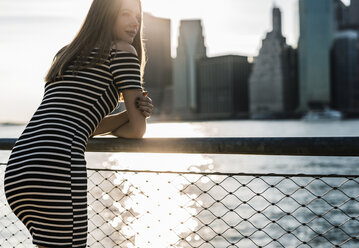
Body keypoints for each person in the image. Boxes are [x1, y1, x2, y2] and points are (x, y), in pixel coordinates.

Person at [3, 0, 153, 247]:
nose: (134, 22)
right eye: (125, 14)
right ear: (105, 16)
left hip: (18, 168)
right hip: (56, 168)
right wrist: (134, 113)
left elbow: (81, 122)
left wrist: (128, 114)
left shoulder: (66, 53)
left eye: (137, 16)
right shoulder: (123, 51)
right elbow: (137, 131)